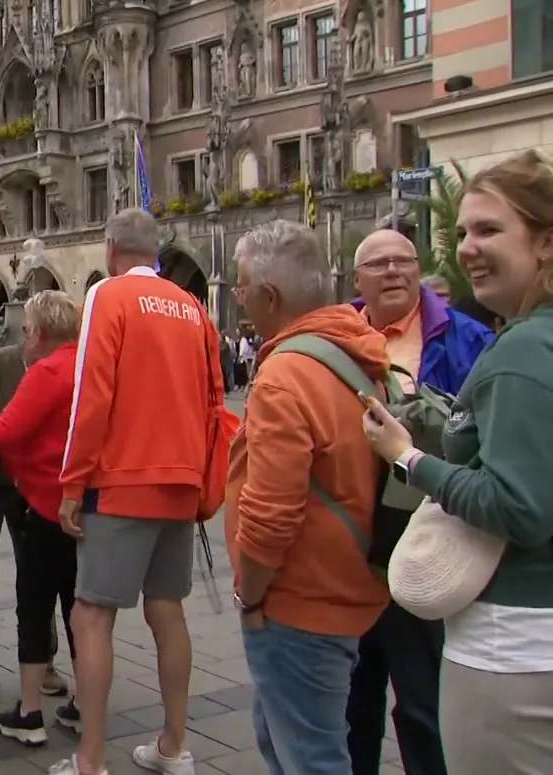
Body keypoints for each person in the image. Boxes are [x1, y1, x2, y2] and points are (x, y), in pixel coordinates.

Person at [363, 149, 553, 774]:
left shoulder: (521, 350)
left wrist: (408, 457)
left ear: (546, 243)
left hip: (512, 647)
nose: (468, 248)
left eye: (490, 229)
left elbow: (518, 508)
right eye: (465, 231)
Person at [56, 208, 224, 775]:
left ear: (110, 247)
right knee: (167, 610)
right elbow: (215, 398)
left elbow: (92, 394)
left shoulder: (108, 296)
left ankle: (90, 759)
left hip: (121, 480)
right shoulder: (193, 306)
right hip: (181, 480)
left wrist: (72, 482)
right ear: (157, 251)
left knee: (91, 616)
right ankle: (175, 746)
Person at [226, 220, 391, 775]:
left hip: (298, 602)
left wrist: (250, 598)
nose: (239, 298)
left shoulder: (284, 376)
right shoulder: (357, 353)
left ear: (269, 296)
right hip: (349, 585)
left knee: (310, 757)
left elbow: (269, 516)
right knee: (284, 736)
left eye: (241, 287)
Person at [346, 228, 492, 775]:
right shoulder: (335, 336)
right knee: (351, 702)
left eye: (403, 261)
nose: (392, 271)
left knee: (422, 703)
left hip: (427, 542)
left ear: (417, 268)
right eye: (378, 263)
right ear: (356, 279)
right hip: (349, 543)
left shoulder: (468, 339)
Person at [0, 291, 82, 744]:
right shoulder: (91, 365)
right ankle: (84, 704)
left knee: (33, 607)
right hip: (84, 508)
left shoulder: (47, 372)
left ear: (38, 333)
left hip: (46, 504)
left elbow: (6, 431)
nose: (25, 338)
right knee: (80, 609)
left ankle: (30, 712)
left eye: (28, 330)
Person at [0, 338, 67, 700]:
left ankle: (43, 658)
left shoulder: (57, 369)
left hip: (30, 484)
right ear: (32, 334)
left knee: (39, 573)